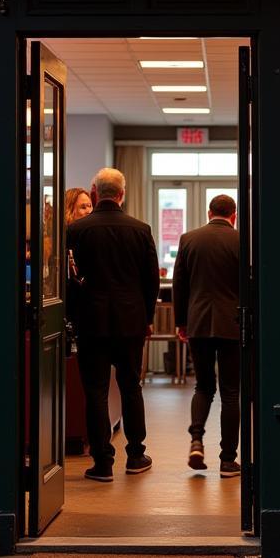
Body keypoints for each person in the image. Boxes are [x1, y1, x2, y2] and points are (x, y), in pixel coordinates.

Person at [67, 167, 160, 482]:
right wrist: (147, 318)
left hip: (91, 321)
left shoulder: (77, 230)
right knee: (131, 386)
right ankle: (136, 455)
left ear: (95, 192)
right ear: (122, 194)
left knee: (95, 391)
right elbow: (151, 282)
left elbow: (68, 280)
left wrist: (73, 312)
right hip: (131, 321)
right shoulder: (140, 229)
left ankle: (102, 462)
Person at [172, 194, 241, 477]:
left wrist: (181, 322)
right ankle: (227, 460)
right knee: (231, 392)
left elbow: (180, 284)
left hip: (199, 322)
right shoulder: (241, 241)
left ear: (209, 212)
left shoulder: (189, 239)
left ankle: (197, 440)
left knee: (203, 387)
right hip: (233, 325)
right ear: (234, 215)